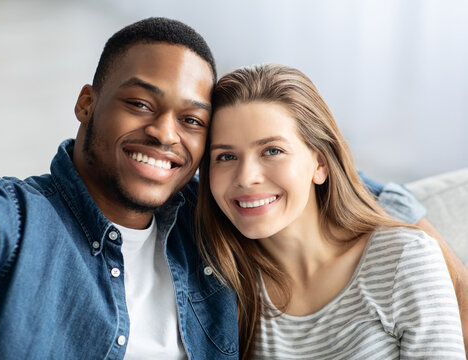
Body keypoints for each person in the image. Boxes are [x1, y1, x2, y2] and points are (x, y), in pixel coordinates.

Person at [0, 17, 466, 359]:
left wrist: (421, 241)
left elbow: (304, 167)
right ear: (87, 103)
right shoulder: (11, 221)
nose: (164, 133)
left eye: (191, 121)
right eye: (140, 104)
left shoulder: (200, 221)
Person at [196, 63, 466, 359]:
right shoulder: (221, 288)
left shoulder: (405, 259)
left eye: (272, 150)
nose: (246, 177)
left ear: (320, 164)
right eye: (226, 156)